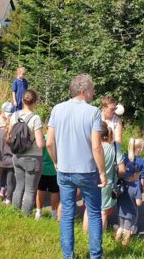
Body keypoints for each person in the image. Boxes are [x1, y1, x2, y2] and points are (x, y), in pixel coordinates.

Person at [46, 74, 107, 259]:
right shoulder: (93, 112)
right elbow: (96, 146)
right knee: (95, 213)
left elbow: (49, 142)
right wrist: (103, 173)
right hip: (87, 171)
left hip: (64, 169)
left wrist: (56, 162)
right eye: (92, 90)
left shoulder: (57, 109)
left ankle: (68, 255)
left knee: (67, 213)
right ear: (84, 91)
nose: (94, 93)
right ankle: (95, 256)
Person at [83, 121, 125, 232]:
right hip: (107, 183)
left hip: (89, 181)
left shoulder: (89, 146)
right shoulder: (114, 147)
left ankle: (84, 236)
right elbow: (122, 170)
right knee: (103, 213)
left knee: (89, 209)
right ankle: (99, 238)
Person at [9, 90, 45, 215]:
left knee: (19, 186)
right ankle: (25, 216)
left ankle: (14, 213)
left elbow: (9, 136)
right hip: (33, 158)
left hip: (17, 156)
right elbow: (40, 143)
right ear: (35, 102)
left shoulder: (14, 116)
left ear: (22, 101)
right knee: (30, 190)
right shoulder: (35, 118)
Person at [35, 119, 61, 220]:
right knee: (54, 192)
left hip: (42, 169)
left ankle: (38, 212)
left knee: (40, 190)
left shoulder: (42, 139)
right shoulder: (57, 141)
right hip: (54, 170)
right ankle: (54, 214)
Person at [115, 161, 142, 247]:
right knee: (127, 230)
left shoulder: (121, 182)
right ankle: (124, 246)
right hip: (130, 214)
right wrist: (140, 200)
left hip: (120, 211)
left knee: (120, 227)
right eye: (139, 174)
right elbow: (138, 203)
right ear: (135, 175)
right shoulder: (136, 187)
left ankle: (116, 241)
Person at [0, 102, 15, 205]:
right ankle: (8, 199)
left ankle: (2, 191)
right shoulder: (13, 133)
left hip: (1, 159)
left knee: (2, 175)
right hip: (11, 159)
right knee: (10, 180)